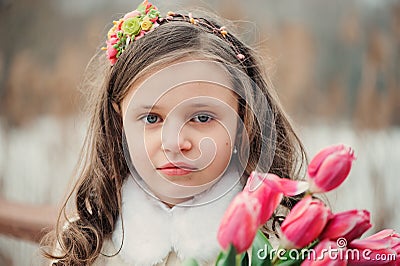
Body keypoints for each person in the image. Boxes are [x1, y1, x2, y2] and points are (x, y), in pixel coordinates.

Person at [41, 1, 306, 265]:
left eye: (202, 118)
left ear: (243, 120)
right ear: (119, 120)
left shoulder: (284, 236)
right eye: (152, 118)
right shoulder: (85, 243)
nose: (174, 143)